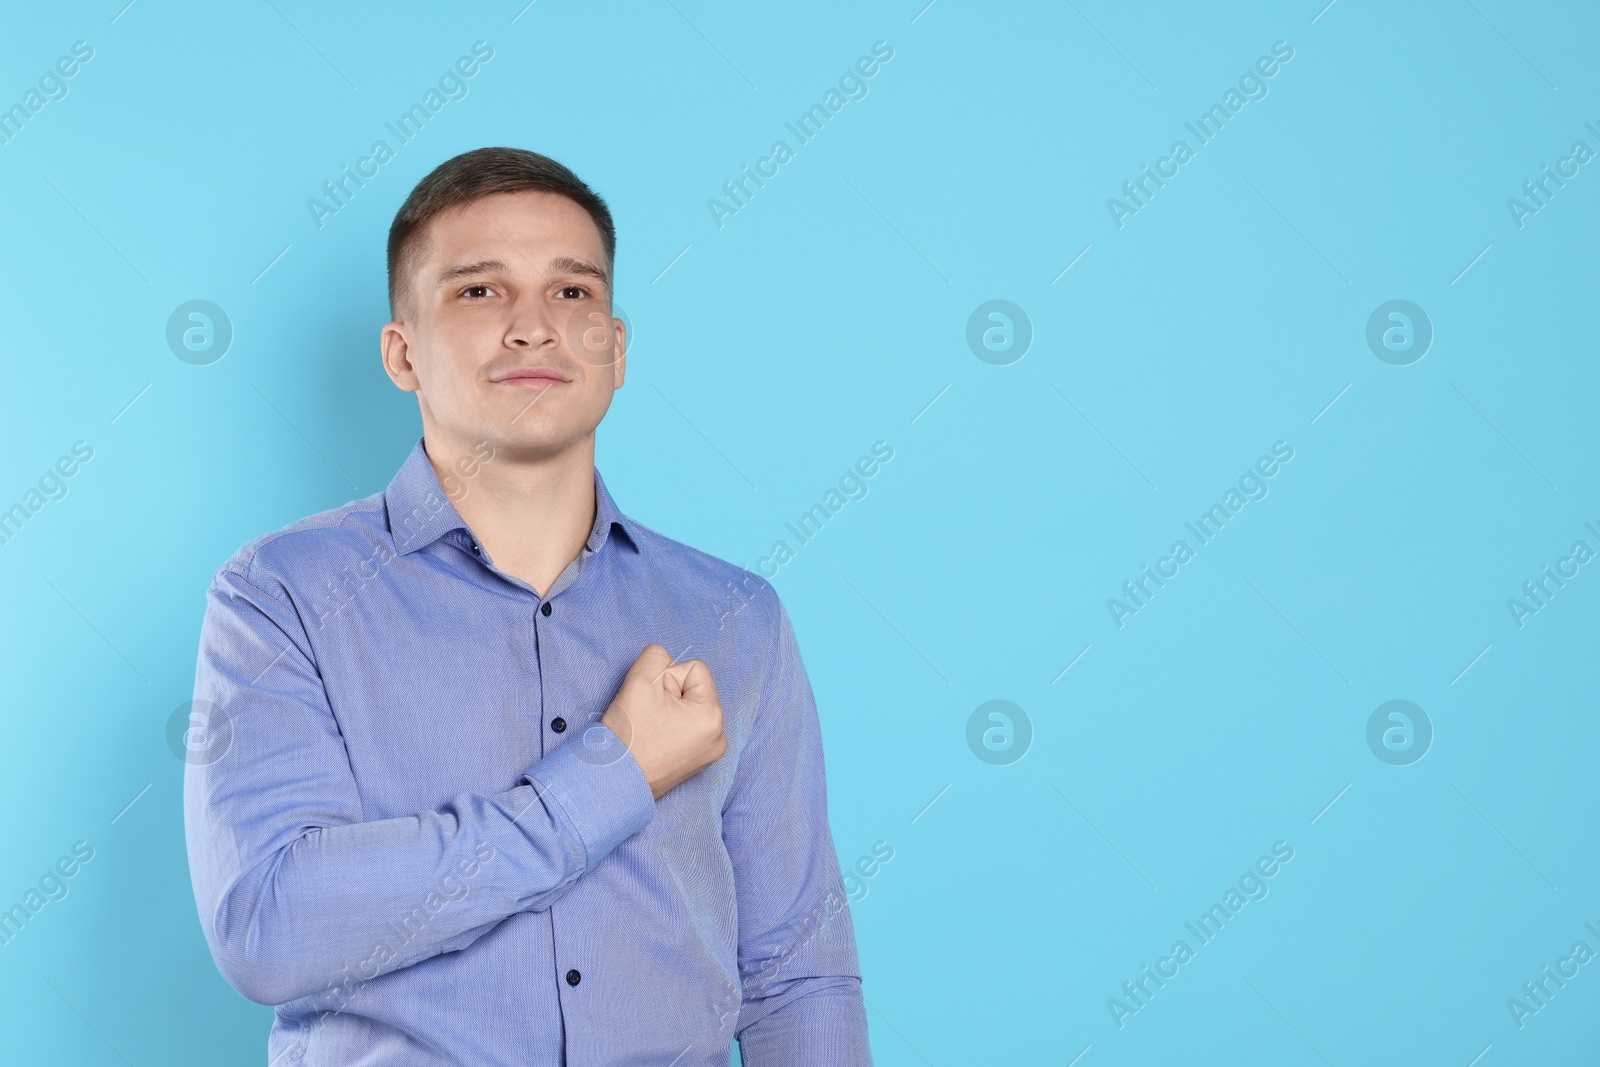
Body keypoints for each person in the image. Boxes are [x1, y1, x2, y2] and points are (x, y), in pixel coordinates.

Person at [183, 146, 871, 1066]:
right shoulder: (283, 597)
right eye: (479, 291)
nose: (533, 328)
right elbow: (270, 923)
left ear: (616, 350)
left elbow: (798, 974)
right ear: (402, 353)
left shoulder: (736, 615)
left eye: (573, 292)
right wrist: (613, 774)